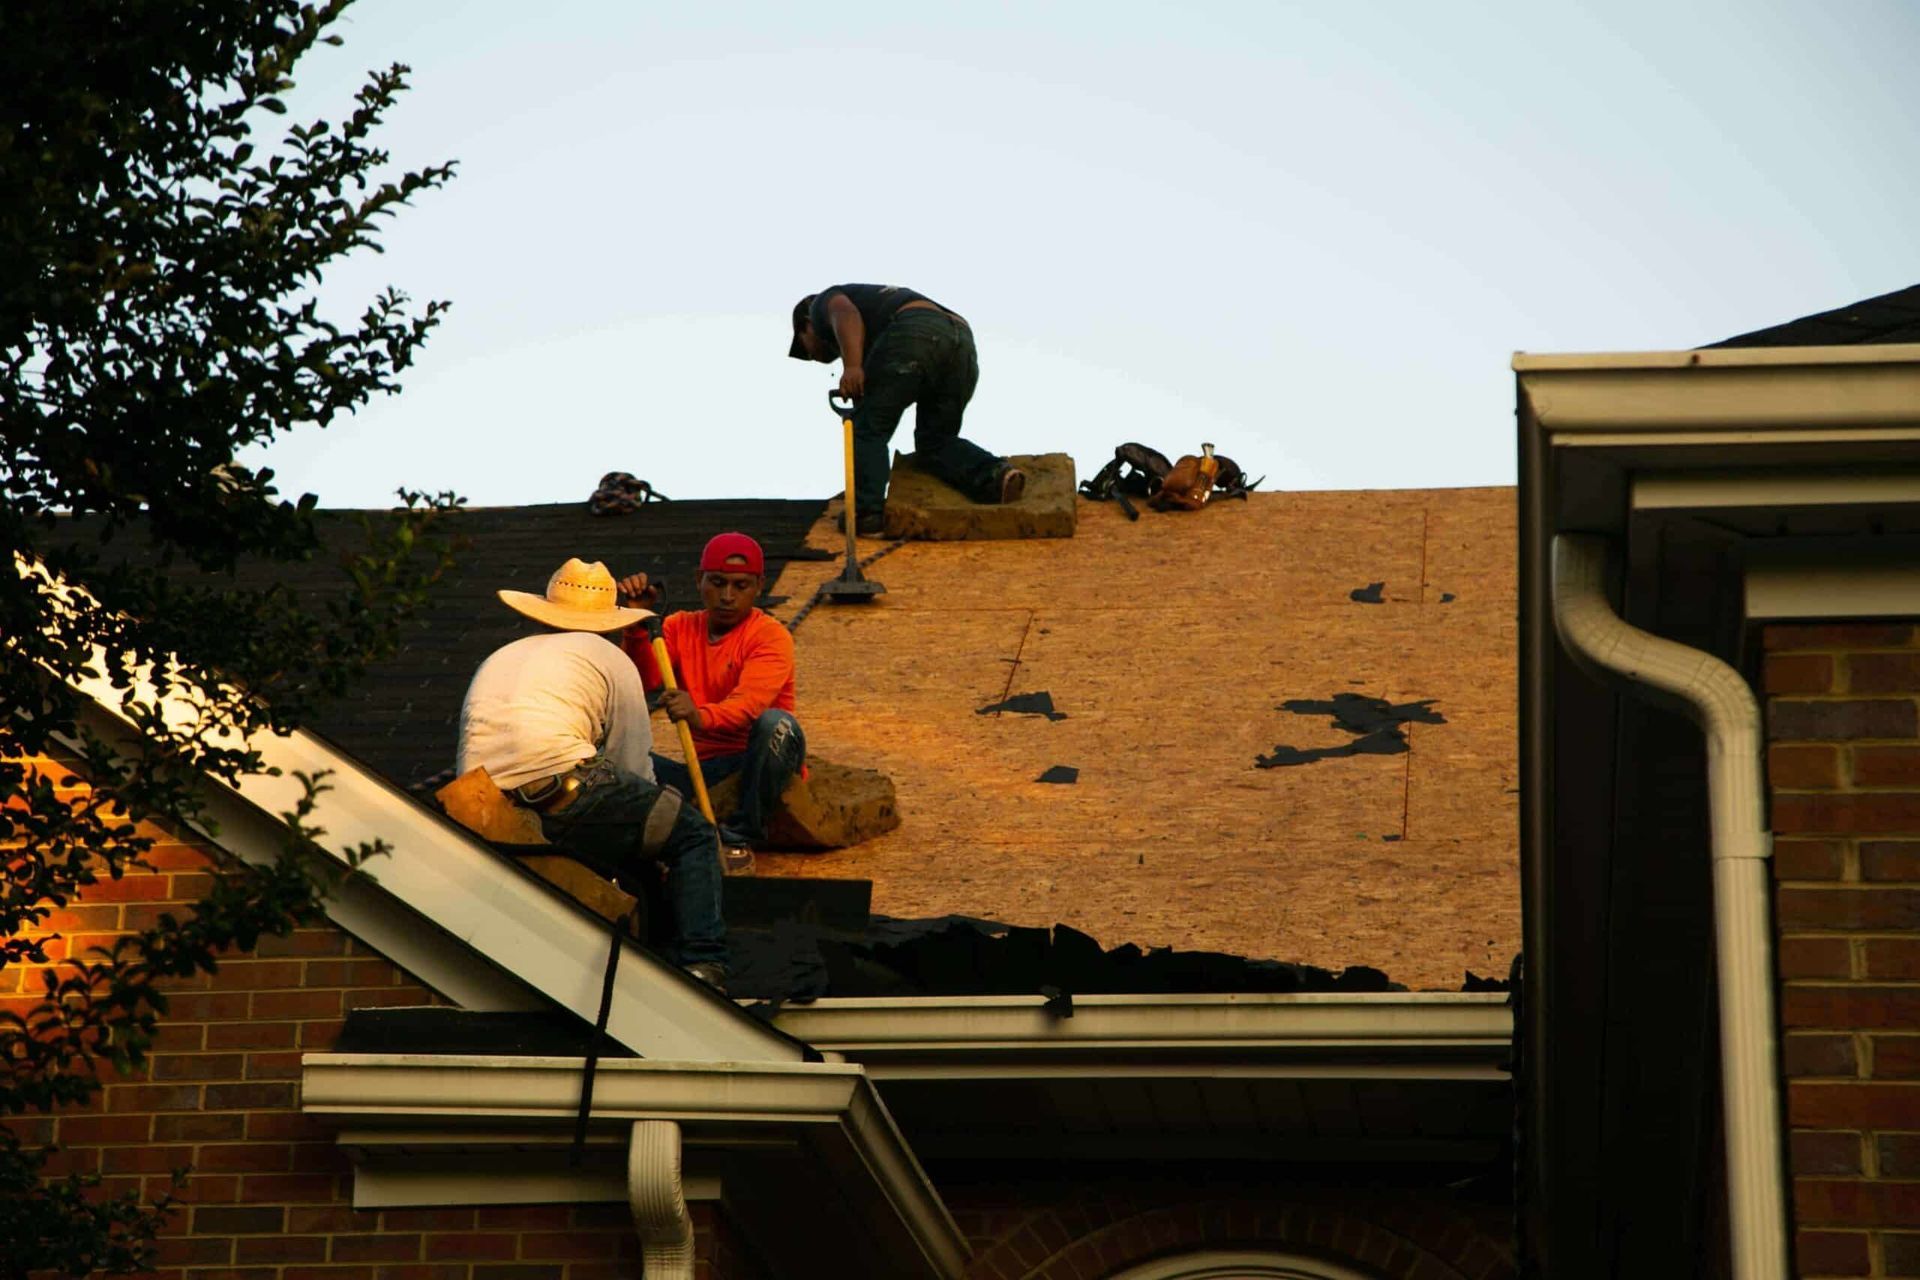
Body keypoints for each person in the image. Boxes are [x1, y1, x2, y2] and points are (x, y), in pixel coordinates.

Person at [456, 557, 728, 989]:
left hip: (483, 805)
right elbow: (632, 764)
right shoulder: (610, 657)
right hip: (567, 789)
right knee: (691, 834)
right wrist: (655, 844)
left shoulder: (502, 654)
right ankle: (703, 963)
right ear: (612, 623)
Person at [617, 533, 805, 870]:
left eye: (741, 585)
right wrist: (635, 625)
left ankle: (742, 834)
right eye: (717, 583)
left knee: (777, 725)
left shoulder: (771, 635)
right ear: (698, 580)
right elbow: (642, 681)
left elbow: (750, 706)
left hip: (758, 760)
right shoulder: (676, 627)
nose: (728, 596)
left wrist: (699, 716)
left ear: (759, 586)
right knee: (619, 754)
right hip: (704, 769)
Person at [788, 283, 1025, 535]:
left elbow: (844, 313)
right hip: (961, 342)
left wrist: (853, 367)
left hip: (916, 331)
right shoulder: (873, 322)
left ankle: (867, 513)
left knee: (866, 428)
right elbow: (886, 385)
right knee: (935, 442)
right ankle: (995, 476)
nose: (813, 357)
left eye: (806, 348)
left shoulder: (820, 305)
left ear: (807, 325)